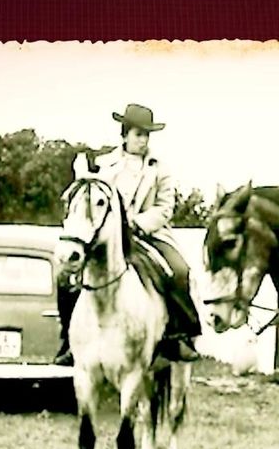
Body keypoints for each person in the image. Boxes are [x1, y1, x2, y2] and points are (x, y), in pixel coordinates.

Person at [54, 103, 201, 365]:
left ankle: (180, 335)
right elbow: (92, 201)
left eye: (147, 135)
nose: (143, 140)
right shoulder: (103, 165)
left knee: (179, 270)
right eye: (138, 134)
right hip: (108, 237)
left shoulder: (161, 169)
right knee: (67, 277)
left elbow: (164, 209)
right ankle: (68, 340)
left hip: (150, 236)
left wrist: (137, 223)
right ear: (124, 135)